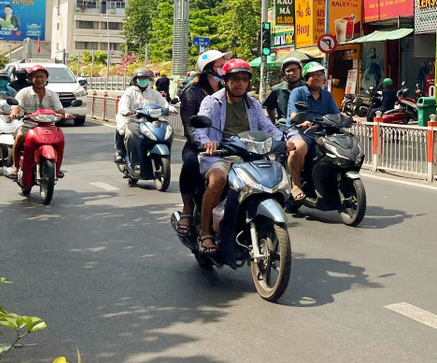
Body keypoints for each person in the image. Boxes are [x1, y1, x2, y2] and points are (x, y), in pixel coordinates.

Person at [192, 59, 300, 255]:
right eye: (234, 79)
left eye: (244, 79)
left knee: (269, 181)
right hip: (221, 155)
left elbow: (267, 127)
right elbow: (200, 128)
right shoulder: (212, 101)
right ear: (225, 81)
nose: (240, 83)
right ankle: (205, 232)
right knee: (217, 180)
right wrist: (207, 141)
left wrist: (284, 141)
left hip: (250, 155)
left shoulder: (253, 103)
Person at [176, 49, 229, 237]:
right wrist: (203, 143)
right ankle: (188, 208)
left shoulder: (229, 90)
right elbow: (190, 124)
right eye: (221, 65)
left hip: (228, 146)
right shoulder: (192, 92)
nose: (225, 69)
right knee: (190, 164)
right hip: (199, 145)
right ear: (209, 69)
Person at [286, 62, 340, 199]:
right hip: (301, 132)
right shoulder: (297, 92)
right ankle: (296, 185)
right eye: (314, 75)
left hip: (323, 132)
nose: (318, 78)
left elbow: (336, 115)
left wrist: (350, 119)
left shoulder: (327, 95)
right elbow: (293, 114)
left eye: (320, 75)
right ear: (306, 79)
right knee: (297, 150)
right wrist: (301, 121)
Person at [8, 65, 66, 194]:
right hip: (28, 124)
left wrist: (65, 114)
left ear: (46, 79)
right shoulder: (24, 92)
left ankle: (57, 169)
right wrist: (15, 112)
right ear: (30, 79)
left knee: (60, 140)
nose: (39, 79)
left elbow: (59, 109)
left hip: (47, 125)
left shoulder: (52, 94)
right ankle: (16, 166)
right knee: (19, 138)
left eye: (42, 77)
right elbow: (16, 106)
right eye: (36, 77)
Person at [115, 68, 171, 168]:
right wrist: (126, 110)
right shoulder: (130, 92)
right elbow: (123, 103)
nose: (143, 80)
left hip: (151, 121)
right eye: (140, 78)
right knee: (130, 135)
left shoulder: (154, 93)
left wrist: (170, 108)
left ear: (149, 80)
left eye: (145, 78)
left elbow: (163, 103)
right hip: (134, 120)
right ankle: (134, 161)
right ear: (136, 80)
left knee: (167, 130)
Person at [263, 56, 304, 123]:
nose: (291, 73)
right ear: (284, 73)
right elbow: (269, 107)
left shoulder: (307, 88)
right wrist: (273, 123)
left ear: (300, 71)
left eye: (294, 70)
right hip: (284, 125)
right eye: (288, 71)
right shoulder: (277, 89)